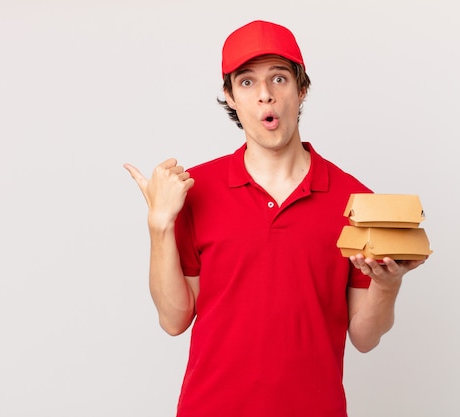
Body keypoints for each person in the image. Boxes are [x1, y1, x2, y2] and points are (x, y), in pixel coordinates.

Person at [124, 20, 426, 417]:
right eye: (246, 82)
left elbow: (365, 337)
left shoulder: (354, 200)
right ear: (230, 96)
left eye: (278, 78)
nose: (265, 95)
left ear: (301, 90)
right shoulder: (195, 191)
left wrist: (387, 286)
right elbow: (174, 319)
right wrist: (159, 224)